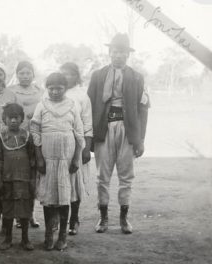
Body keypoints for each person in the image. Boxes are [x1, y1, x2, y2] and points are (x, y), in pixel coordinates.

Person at [87, 33, 149, 234]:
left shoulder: (137, 77)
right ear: (109, 52)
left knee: (126, 175)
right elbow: (88, 106)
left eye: (122, 52)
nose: (118, 55)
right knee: (102, 175)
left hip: (127, 129)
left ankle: (124, 218)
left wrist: (140, 139)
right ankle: (103, 217)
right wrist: (89, 136)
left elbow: (143, 109)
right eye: (115, 51)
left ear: (127, 54)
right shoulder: (98, 75)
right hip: (104, 128)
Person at [31, 73, 84, 251]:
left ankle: (62, 235)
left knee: (64, 198)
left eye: (59, 88)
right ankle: (48, 234)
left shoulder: (72, 106)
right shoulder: (42, 105)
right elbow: (35, 131)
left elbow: (79, 133)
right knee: (49, 198)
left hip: (66, 159)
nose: (54, 91)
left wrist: (76, 158)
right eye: (51, 88)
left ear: (65, 88)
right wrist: (39, 157)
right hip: (47, 158)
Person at [0, 103, 36, 251]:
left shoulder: (27, 136)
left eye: (16, 118)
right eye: (10, 118)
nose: (13, 121)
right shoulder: (0, 137)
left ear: (22, 119)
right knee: (8, 209)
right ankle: (8, 238)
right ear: (4, 119)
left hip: (24, 179)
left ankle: (25, 238)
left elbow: (32, 159)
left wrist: (32, 179)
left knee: (25, 209)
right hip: (7, 179)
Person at [8, 60, 43, 228]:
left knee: (33, 176)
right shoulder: (11, 91)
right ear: (17, 75)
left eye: (28, 72)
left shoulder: (40, 92)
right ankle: (17, 215)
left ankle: (30, 214)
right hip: (17, 137)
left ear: (33, 74)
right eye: (21, 73)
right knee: (17, 175)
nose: (25, 76)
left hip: (34, 137)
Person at [60, 62, 93, 235]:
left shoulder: (82, 96)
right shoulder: (53, 91)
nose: (66, 77)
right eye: (63, 73)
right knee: (59, 182)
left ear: (76, 76)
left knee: (75, 183)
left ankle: (74, 218)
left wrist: (86, 148)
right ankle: (60, 220)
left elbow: (87, 123)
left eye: (70, 74)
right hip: (57, 146)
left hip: (76, 144)